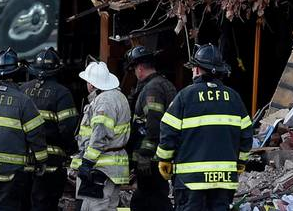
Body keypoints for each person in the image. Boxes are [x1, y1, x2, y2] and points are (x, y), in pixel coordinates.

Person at [156, 44, 252, 211]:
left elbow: (168, 131)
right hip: (224, 181)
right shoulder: (234, 98)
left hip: (190, 181)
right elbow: (246, 136)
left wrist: (164, 159)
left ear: (198, 70)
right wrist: (241, 162)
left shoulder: (185, 96)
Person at [0, 48, 48, 211]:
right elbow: (36, 134)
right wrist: (41, 161)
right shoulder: (24, 102)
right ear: (18, 74)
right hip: (9, 171)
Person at [21, 47, 79, 211]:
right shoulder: (62, 93)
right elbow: (68, 129)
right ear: (56, 70)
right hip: (50, 163)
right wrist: (70, 149)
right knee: (44, 204)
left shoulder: (22, 90)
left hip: (22, 161)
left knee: (22, 204)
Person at [71, 60, 132, 211]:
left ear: (92, 84)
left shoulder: (103, 101)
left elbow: (100, 136)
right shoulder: (119, 97)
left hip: (100, 168)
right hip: (113, 169)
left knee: (93, 207)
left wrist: (87, 162)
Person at [125, 46, 177, 211]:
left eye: (134, 69)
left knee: (150, 199)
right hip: (162, 154)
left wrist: (144, 155)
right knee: (151, 197)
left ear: (139, 68)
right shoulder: (165, 84)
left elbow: (153, 125)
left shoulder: (152, 88)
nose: (134, 73)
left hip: (151, 158)